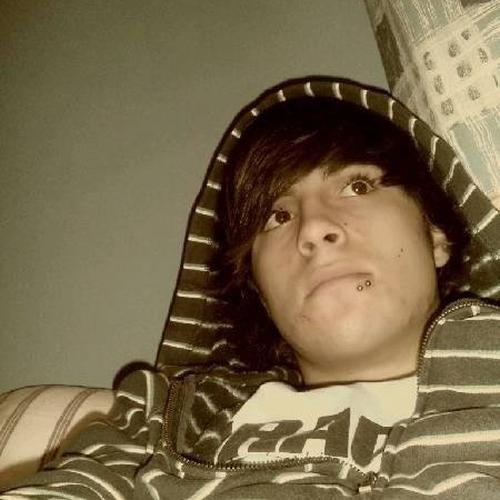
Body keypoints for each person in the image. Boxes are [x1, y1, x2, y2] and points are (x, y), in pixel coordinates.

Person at [1, 77, 499, 499]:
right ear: (260, 290)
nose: (313, 229)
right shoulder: (167, 418)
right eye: (276, 216)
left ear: (436, 236)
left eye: (357, 186)